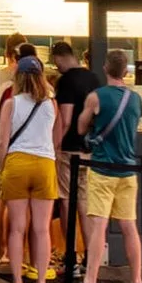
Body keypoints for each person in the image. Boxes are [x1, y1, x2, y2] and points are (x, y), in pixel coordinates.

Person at [75, 49, 142, 283]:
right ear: (125, 71)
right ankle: (137, 281)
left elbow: (81, 125)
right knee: (129, 226)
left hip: (102, 167)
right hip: (127, 170)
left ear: (105, 68)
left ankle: (90, 280)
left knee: (99, 226)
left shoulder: (96, 97)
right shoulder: (136, 99)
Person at [0, 55, 58, 283]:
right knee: (42, 229)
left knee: (17, 228)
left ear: (18, 77)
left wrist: (4, 167)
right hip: (44, 163)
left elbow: (3, 141)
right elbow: (53, 135)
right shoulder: (50, 104)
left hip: (17, 162)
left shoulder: (11, 104)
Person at [49, 41, 98, 267]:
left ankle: (70, 253)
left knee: (67, 200)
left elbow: (65, 119)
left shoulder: (66, 81)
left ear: (59, 57)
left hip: (68, 150)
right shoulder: (93, 79)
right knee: (86, 203)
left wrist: (54, 146)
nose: (55, 66)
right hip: (88, 150)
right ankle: (90, 253)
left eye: (55, 61)